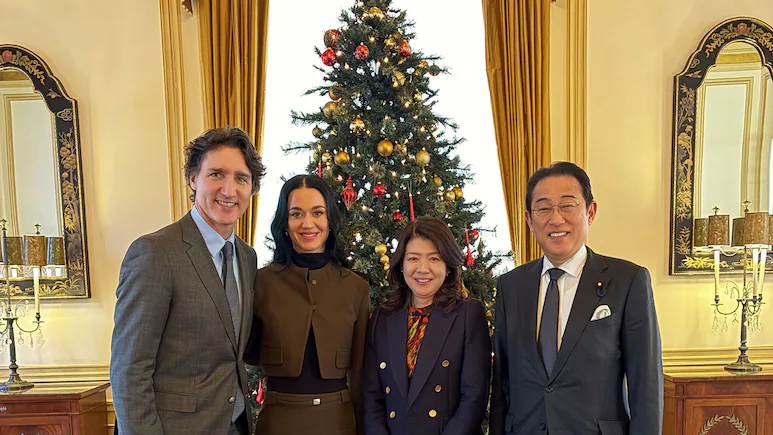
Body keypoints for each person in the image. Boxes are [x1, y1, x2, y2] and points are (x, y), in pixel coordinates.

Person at [110, 127, 264, 435]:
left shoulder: (247, 258)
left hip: (235, 425)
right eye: (216, 174)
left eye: (241, 178)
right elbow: (130, 370)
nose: (229, 190)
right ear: (193, 179)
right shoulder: (155, 253)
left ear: (252, 189)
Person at [489, 161, 663, 435]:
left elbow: (646, 386)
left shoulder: (628, 280)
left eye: (567, 205)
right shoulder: (511, 286)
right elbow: (502, 384)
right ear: (529, 220)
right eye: (543, 208)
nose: (555, 219)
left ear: (590, 211)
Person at [244, 174, 371, 435]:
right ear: (285, 223)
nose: (308, 223)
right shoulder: (261, 282)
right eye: (296, 214)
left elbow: (359, 373)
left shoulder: (355, 287)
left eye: (317, 212)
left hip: (340, 421)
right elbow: (247, 353)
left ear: (330, 220)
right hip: (279, 420)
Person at [362, 216, 491, 435]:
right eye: (413, 258)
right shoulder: (382, 318)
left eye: (434, 258)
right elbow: (372, 397)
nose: (423, 269)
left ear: (448, 266)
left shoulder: (469, 314)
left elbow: (474, 397)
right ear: (401, 265)